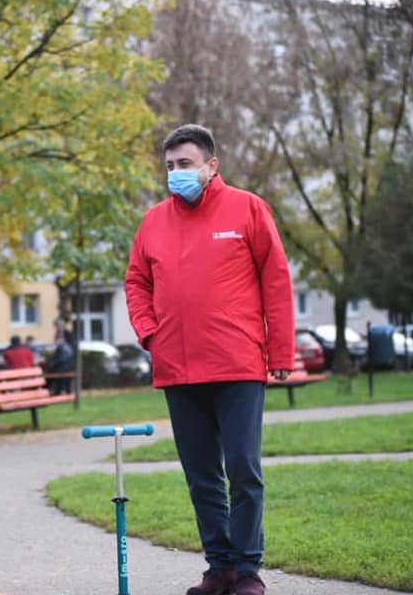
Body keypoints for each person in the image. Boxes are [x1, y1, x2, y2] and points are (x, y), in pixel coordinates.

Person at [124, 124, 294, 595]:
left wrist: (280, 351)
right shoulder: (154, 221)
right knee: (201, 477)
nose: (176, 173)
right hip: (178, 369)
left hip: (237, 364)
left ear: (211, 166)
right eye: (170, 167)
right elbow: (136, 282)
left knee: (243, 469)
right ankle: (219, 568)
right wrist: (151, 334)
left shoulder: (247, 208)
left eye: (186, 164)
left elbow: (276, 281)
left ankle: (247, 571)